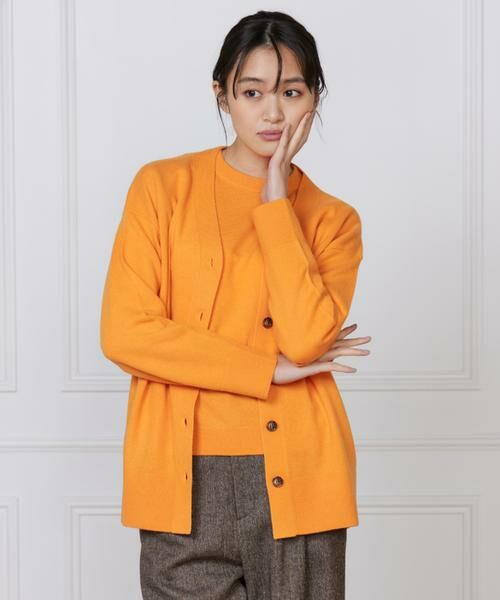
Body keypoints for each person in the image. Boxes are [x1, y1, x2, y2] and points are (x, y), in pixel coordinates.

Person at [100, 9, 372, 600]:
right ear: (222, 95)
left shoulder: (333, 220)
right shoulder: (162, 188)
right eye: (252, 92)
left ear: (314, 99)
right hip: (181, 485)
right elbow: (125, 333)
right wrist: (263, 369)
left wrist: (275, 203)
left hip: (300, 477)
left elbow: (305, 340)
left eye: (291, 92)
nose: (273, 113)